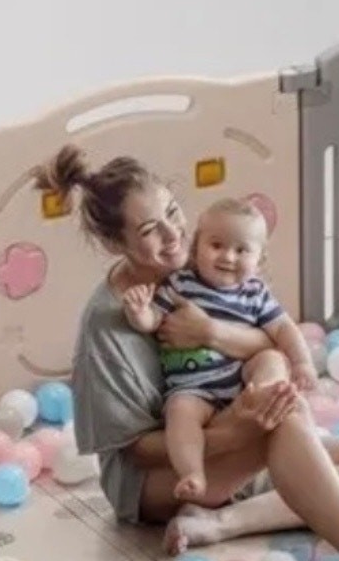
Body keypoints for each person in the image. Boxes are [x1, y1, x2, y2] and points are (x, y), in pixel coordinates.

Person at [32, 145, 339, 561]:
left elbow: (271, 338)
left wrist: (210, 333)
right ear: (117, 244)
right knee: (282, 414)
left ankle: (220, 523)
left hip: (233, 435)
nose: (172, 235)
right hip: (160, 476)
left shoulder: (206, 259)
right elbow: (136, 451)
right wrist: (238, 430)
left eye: (173, 212)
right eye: (150, 229)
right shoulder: (108, 323)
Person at [119, 194, 317, 503]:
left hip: (241, 384)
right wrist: (139, 313)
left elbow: (283, 329)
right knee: (179, 413)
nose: (228, 257)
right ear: (196, 246)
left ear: (260, 259)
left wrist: (302, 363)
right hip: (194, 388)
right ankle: (192, 472)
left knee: (269, 358)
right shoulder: (181, 284)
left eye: (242, 250)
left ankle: (265, 400)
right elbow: (155, 320)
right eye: (216, 245)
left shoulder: (255, 293)